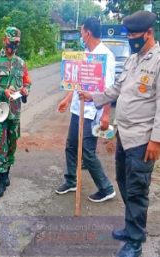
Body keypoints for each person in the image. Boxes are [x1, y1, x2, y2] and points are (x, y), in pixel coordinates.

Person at [79, 11, 160, 257]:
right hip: (124, 135)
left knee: (137, 189)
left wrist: (156, 140)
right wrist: (94, 97)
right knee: (125, 183)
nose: (132, 40)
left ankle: (135, 242)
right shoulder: (134, 59)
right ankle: (131, 227)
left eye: (135, 36)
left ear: (149, 33)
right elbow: (117, 88)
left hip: (143, 139)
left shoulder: (158, 60)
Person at [55, 17, 116, 203]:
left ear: (88, 33)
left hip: (92, 113)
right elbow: (77, 82)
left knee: (88, 152)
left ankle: (106, 188)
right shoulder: (85, 53)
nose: (81, 35)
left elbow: (110, 89)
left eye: (81, 32)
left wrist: (106, 114)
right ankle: (71, 180)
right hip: (77, 109)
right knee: (71, 146)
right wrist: (67, 99)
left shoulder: (105, 56)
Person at [0, 26, 32, 197]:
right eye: (12, 42)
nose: (14, 46)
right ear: (5, 40)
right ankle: (0, 180)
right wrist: (1, 91)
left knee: (11, 143)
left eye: (17, 43)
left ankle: (7, 172)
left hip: (14, 111)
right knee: (0, 144)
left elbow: (27, 82)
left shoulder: (21, 63)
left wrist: (26, 90)